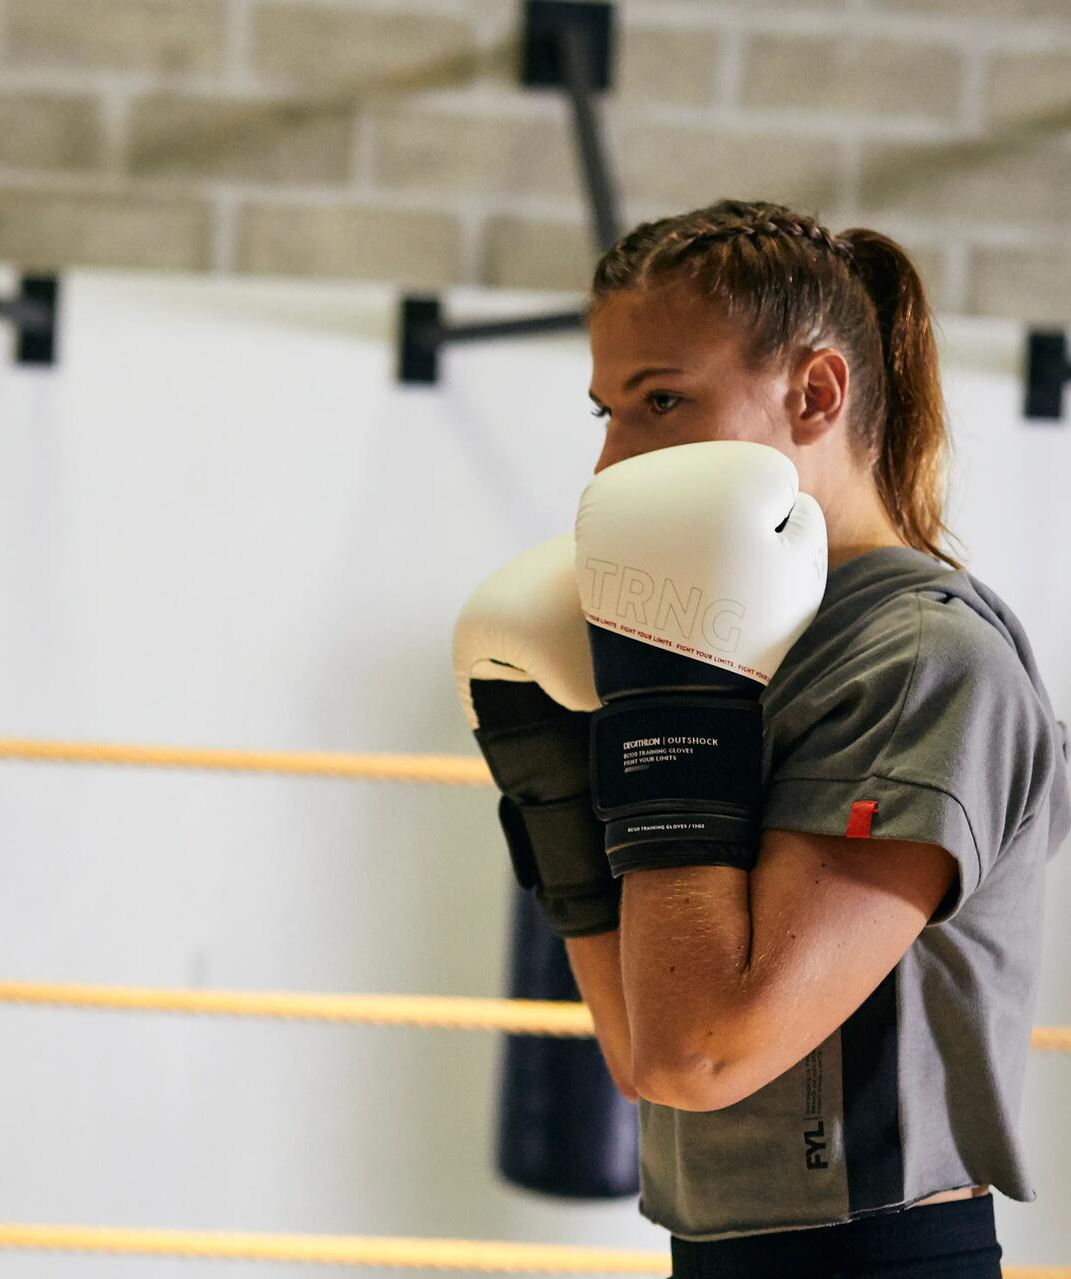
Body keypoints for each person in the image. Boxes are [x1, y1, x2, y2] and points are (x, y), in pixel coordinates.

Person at [454, 199, 1070, 1278]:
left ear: (816, 392)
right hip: (715, 1253)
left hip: (881, 1258)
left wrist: (665, 704)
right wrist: (555, 785)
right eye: (606, 409)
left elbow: (704, 1050)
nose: (611, 462)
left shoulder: (922, 662)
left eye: (660, 401)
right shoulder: (742, 633)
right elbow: (645, 1053)